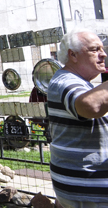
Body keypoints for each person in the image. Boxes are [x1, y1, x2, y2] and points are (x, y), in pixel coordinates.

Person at [48, 28, 108, 207]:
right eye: (94, 49)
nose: (103, 54)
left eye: (102, 49)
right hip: (89, 191)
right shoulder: (65, 80)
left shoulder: (80, 82)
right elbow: (90, 106)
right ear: (72, 55)